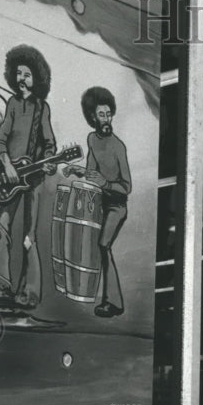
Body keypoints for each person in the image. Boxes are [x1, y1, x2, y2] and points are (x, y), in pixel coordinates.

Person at [0, 45, 57, 308]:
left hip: (33, 179)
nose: (21, 78)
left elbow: (50, 144)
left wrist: (49, 163)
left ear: (36, 78)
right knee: (1, 227)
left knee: (29, 236)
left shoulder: (42, 108)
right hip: (6, 177)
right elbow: (0, 140)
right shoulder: (12, 104)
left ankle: (29, 293)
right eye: (18, 73)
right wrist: (7, 164)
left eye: (27, 74)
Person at [72, 86, 131, 317]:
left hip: (117, 205)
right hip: (99, 202)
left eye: (109, 114)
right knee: (89, 241)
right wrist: (77, 172)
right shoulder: (91, 140)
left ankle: (114, 302)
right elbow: (90, 172)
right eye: (101, 115)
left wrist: (105, 184)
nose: (107, 119)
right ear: (92, 117)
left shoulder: (118, 146)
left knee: (103, 245)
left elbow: (127, 187)